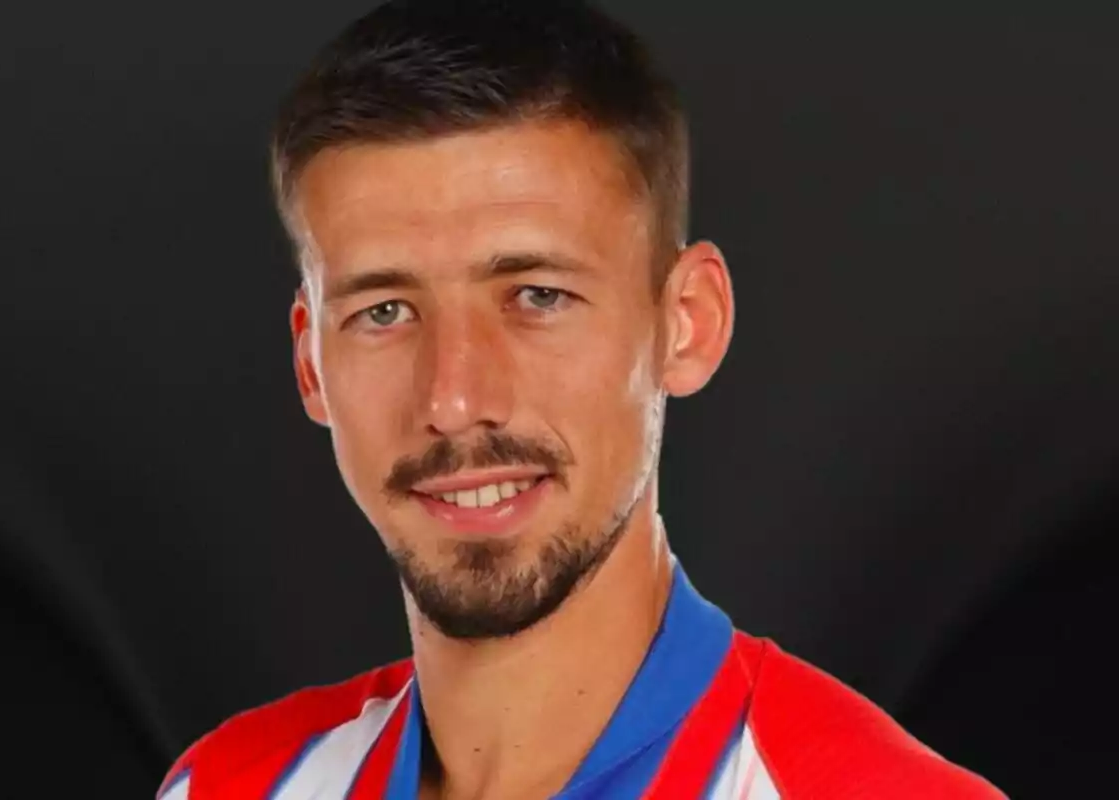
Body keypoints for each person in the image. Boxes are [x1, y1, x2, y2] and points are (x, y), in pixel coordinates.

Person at [158, 1, 1006, 797]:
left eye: (536, 296)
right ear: (311, 361)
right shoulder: (231, 784)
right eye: (384, 312)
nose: (454, 400)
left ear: (686, 323)